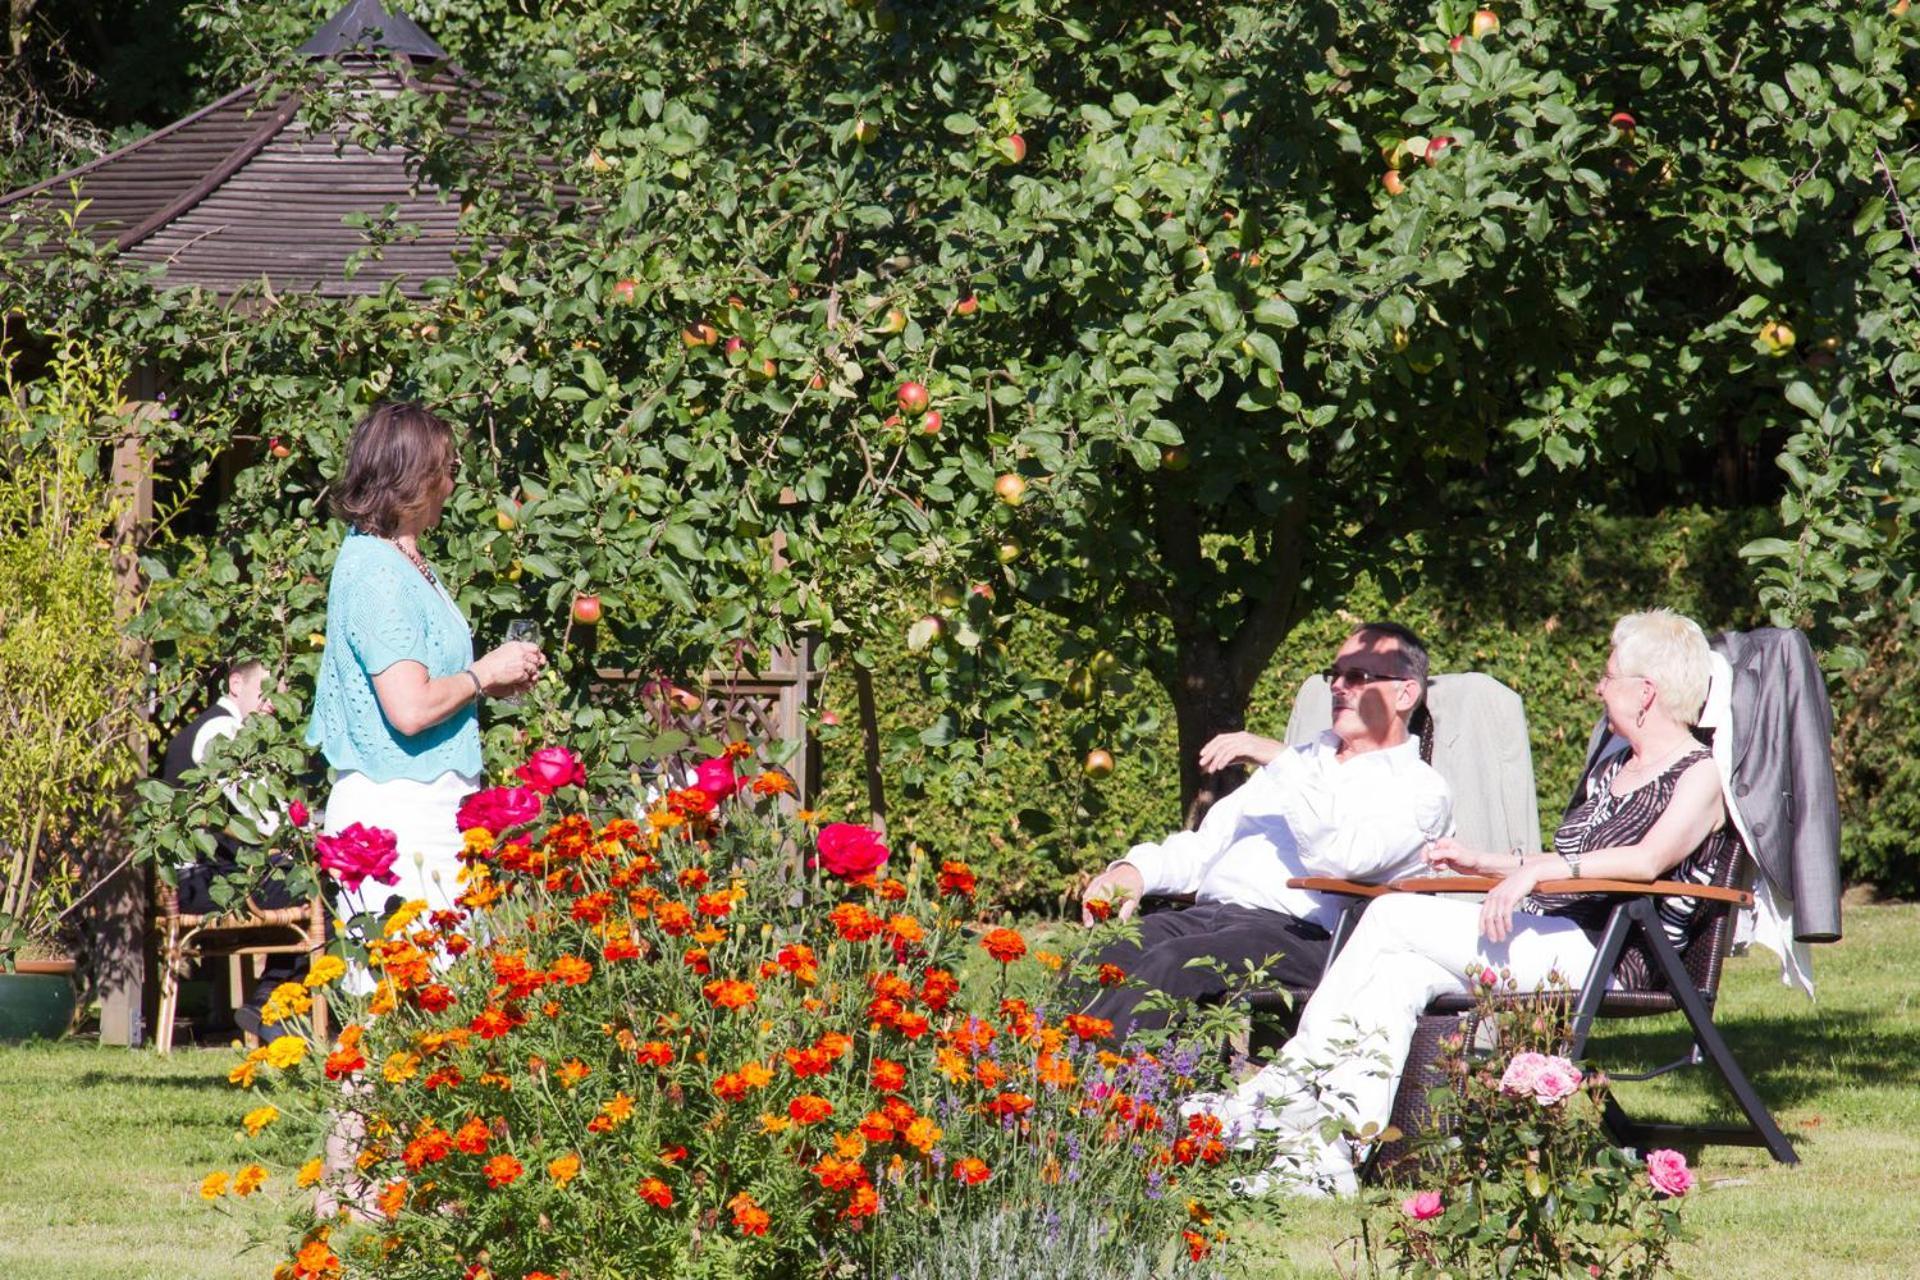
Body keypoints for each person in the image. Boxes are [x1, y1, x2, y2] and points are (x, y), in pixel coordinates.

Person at [1201, 608, 1735, 1196]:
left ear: (1646, 691)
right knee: (1397, 974)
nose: (1598, 687)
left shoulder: (1699, 773)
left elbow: (1643, 862)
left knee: (1391, 914)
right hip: (1554, 933)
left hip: (1612, 955)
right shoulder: (1616, 767)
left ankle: (1279, 1093)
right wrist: (1487, 862)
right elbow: (1573, 863)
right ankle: (1335, 1153)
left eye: (1608, 676)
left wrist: (1535, 875)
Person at [1074, 622, 1453, 1036]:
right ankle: (1029, 1079)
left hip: (1303, 938)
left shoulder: (1420, 791)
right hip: (1208, 918)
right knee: (1106, 952)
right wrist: (1135, 871)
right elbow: (1206, 847)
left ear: (1405, 693)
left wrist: (1281, 760)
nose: (1339, 687)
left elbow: (1343, 859)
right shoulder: (1297, 763)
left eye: (1358, 677)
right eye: (1336, 675)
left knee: (1174, 963)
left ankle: (1094, 1093)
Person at [305, 402, 544, 936]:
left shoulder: (402, 559)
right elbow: (410, 709)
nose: (452, 485)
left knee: (450, 996)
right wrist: (485, 673)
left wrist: (495, 680)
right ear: (414, 476)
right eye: (447, 470)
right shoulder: (376, 571)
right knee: (415, 996)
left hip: (431, 807)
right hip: (398, 819)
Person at [161, 658, 303, 1036]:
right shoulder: (221, 730)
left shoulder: (221, 727)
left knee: (303, 882)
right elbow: (261, 817)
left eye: (279, 696)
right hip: (201, 883)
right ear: (235, 683)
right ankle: (271, 1005)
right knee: (316, 885)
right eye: (266, 692)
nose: (273, 703)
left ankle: (268, 1005)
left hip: (205, 877)